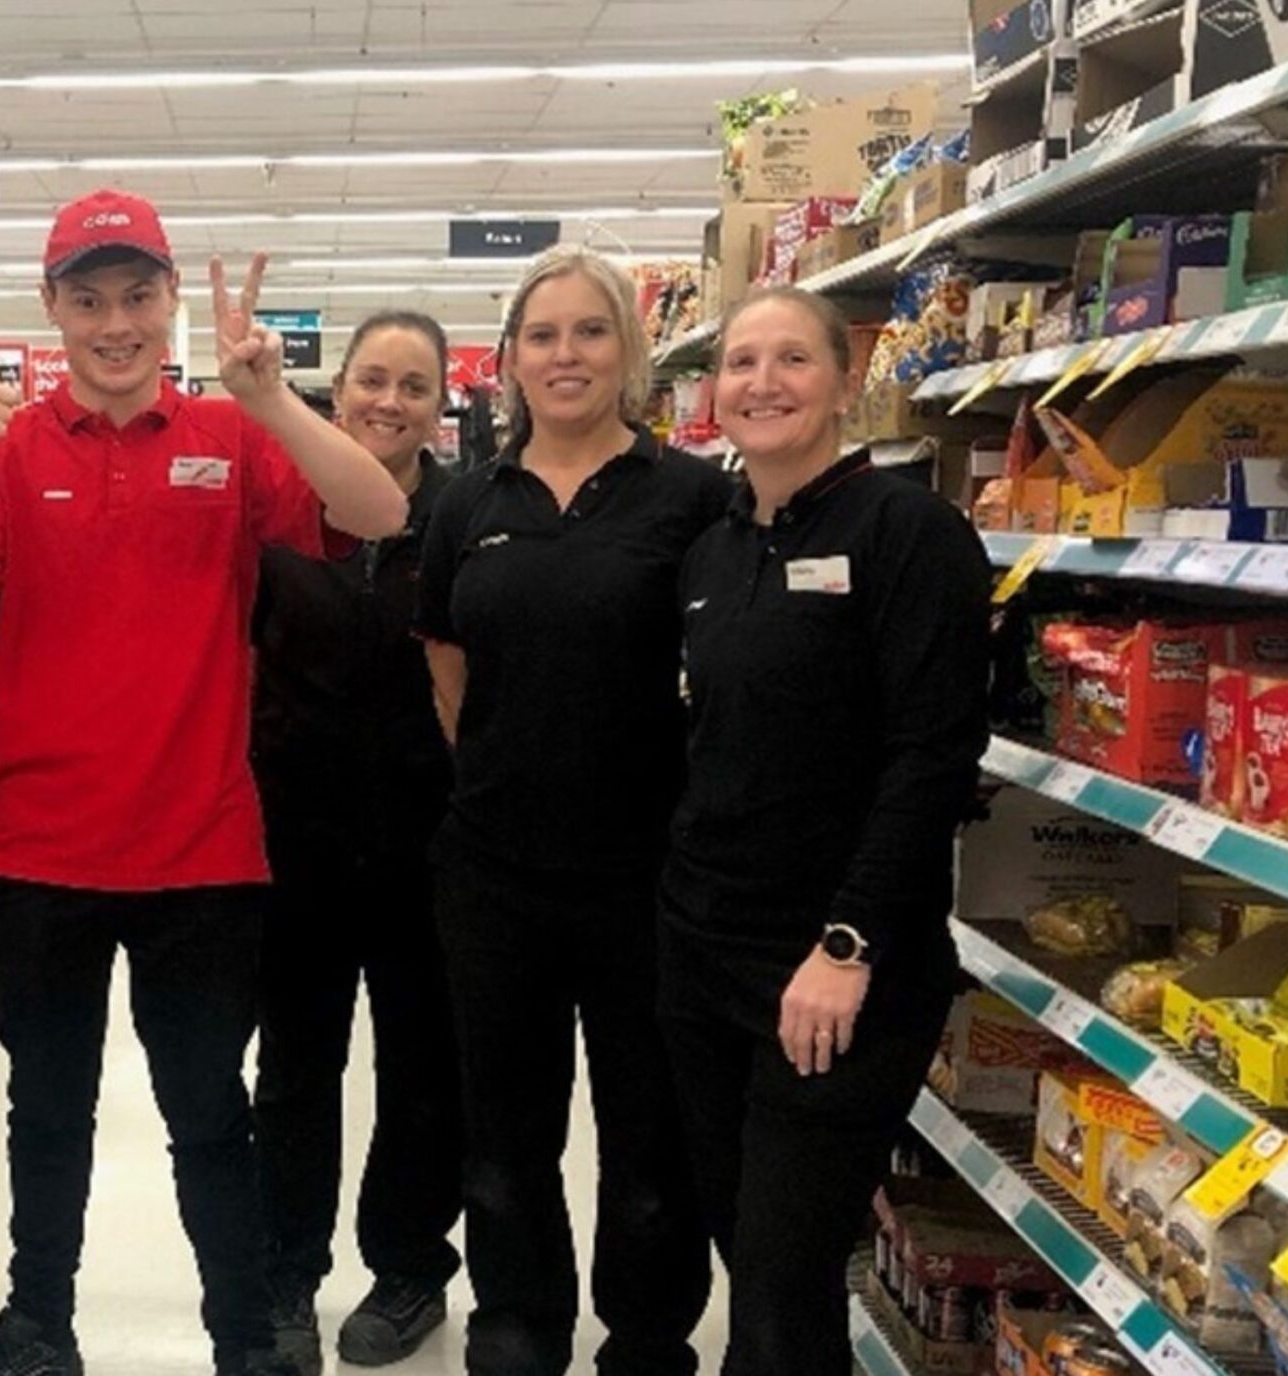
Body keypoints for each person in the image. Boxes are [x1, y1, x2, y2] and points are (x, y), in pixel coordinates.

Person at [0, 188, 409, 1376]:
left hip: (202, 851)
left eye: (137, 296)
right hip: (35, 848)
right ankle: (40, 1323)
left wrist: (268, 396)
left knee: (207, 1116)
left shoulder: (226, 438)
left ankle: (243, 1337)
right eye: (87, 300)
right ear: (51, 310)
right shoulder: (6, 446)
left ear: (168, 303)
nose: (115, 323)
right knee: (46, 1113)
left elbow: (380, 508)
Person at [658, 285, 989, 1376]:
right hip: (703, 957)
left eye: (790, 358)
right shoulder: (714, 547)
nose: (761, 382)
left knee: (781, 1284)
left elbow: (931, 756)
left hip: (835, 976)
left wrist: (847, 941)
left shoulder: (911, 534)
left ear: (845, 381)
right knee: (745, 1250)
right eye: (739, 362)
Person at [414, 246, 724, 1376]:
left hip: (649, 870)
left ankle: (647, 1334)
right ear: (507, 361)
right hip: (493, 870)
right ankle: (517, 1321)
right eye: (541, 335)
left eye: (589, 331)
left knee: (647, 1130)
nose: (564, 355)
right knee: (505, 1125)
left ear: (628, 352)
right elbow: (444, 657)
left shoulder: (692, 497)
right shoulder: (467, 503)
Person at [249, 311, 463, 1374]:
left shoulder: (463, 518)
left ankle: (409, 1264)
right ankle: (284, 1271)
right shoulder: (278, 510)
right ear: (336, 391)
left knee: (425, 1064)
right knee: (295, 1065)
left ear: (441, 402)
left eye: (413, 384)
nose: (389, 400)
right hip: (296, 837)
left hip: (431, 840)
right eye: (372, 379)